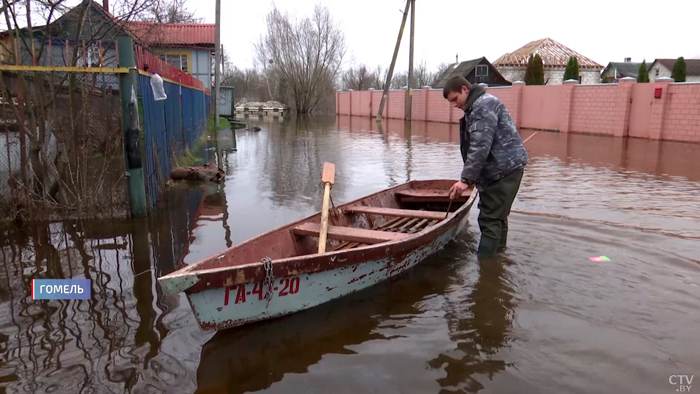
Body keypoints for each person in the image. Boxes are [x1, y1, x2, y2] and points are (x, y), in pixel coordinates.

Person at [443, 76, 528, 257]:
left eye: (454, 99)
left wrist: (465, 180)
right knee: (498, 217)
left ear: (465, 90)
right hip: (505, 168)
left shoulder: (482, 106)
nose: (454, 105)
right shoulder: (481, 104)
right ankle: (498, 260)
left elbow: (480, 146)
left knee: (489, 219)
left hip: (502, 171)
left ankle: (485, 268)